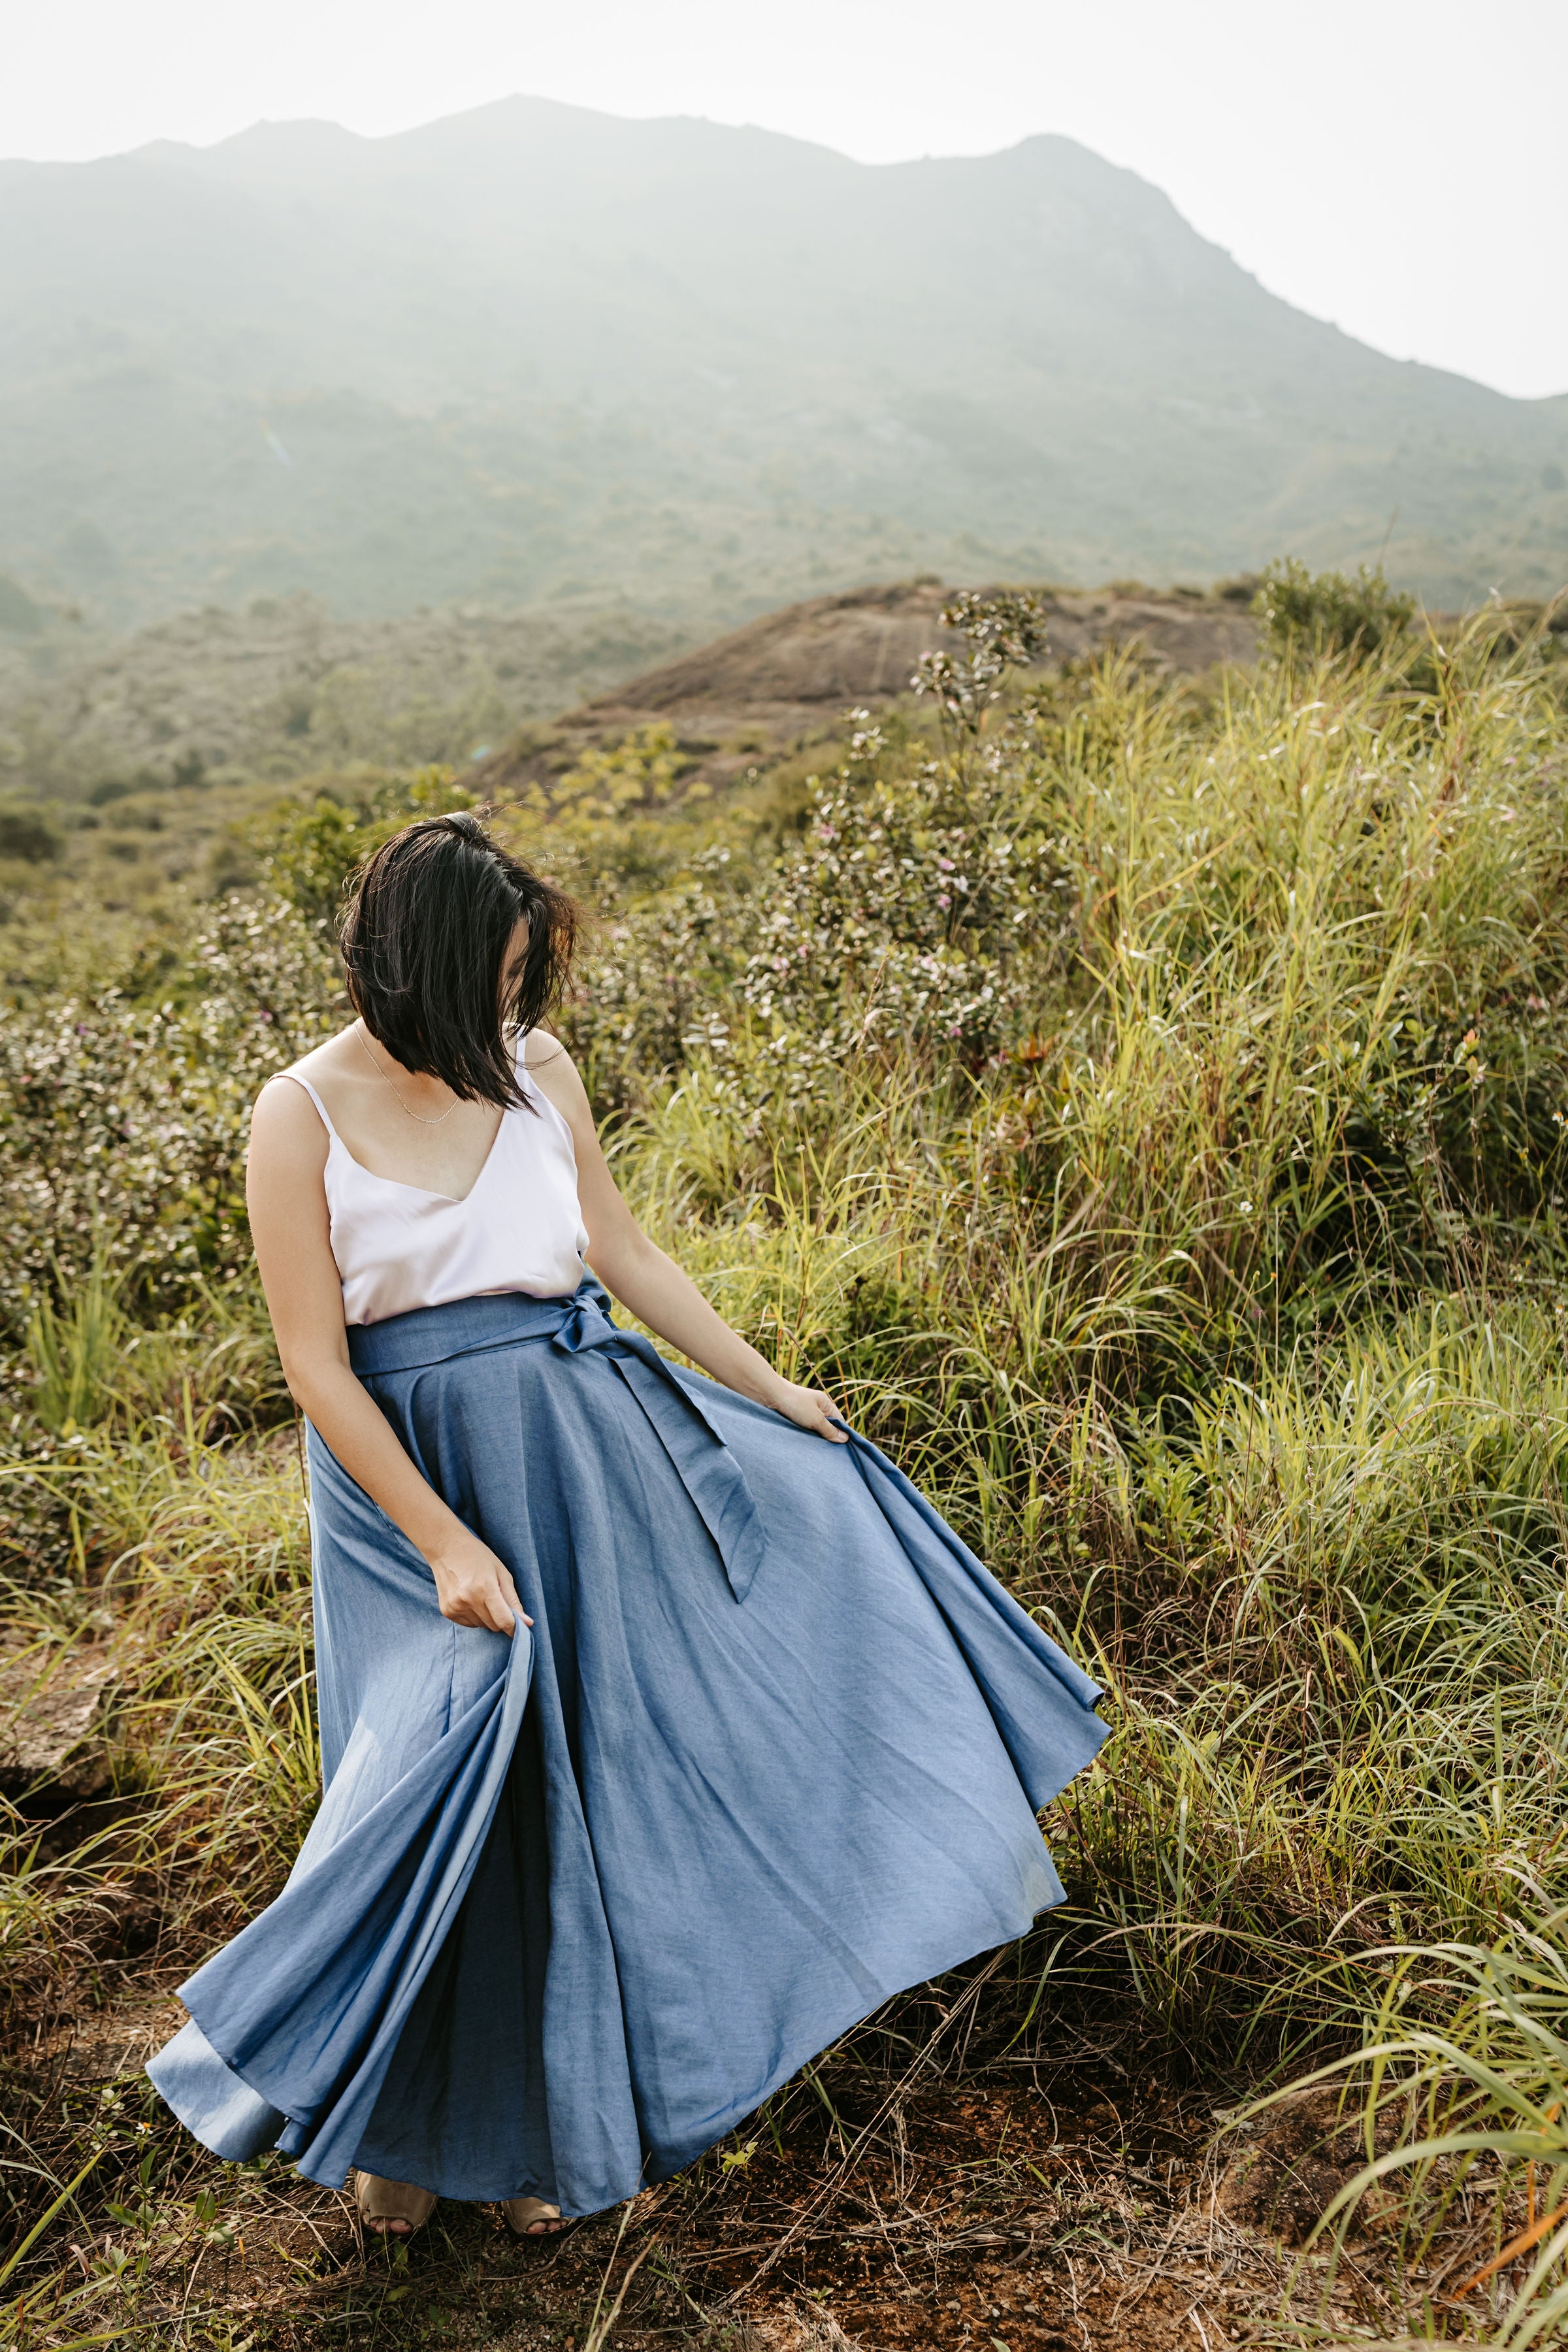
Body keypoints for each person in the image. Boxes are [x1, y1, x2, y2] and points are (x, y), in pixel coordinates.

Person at [148, 811, 1109, 2240]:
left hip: (586, 1450)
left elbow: (624, 1248)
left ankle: (554, 2136)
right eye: (493, 975)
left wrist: (771, 1386)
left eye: (523, 978)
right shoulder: (299, 1109)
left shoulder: (534, 1071)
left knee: (583, 1782)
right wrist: (444, 1545)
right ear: (422, 963)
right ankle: (392, 2133)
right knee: (433, 1788)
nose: (510, 1005)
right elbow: (314, 1367)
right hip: (410, 1482)